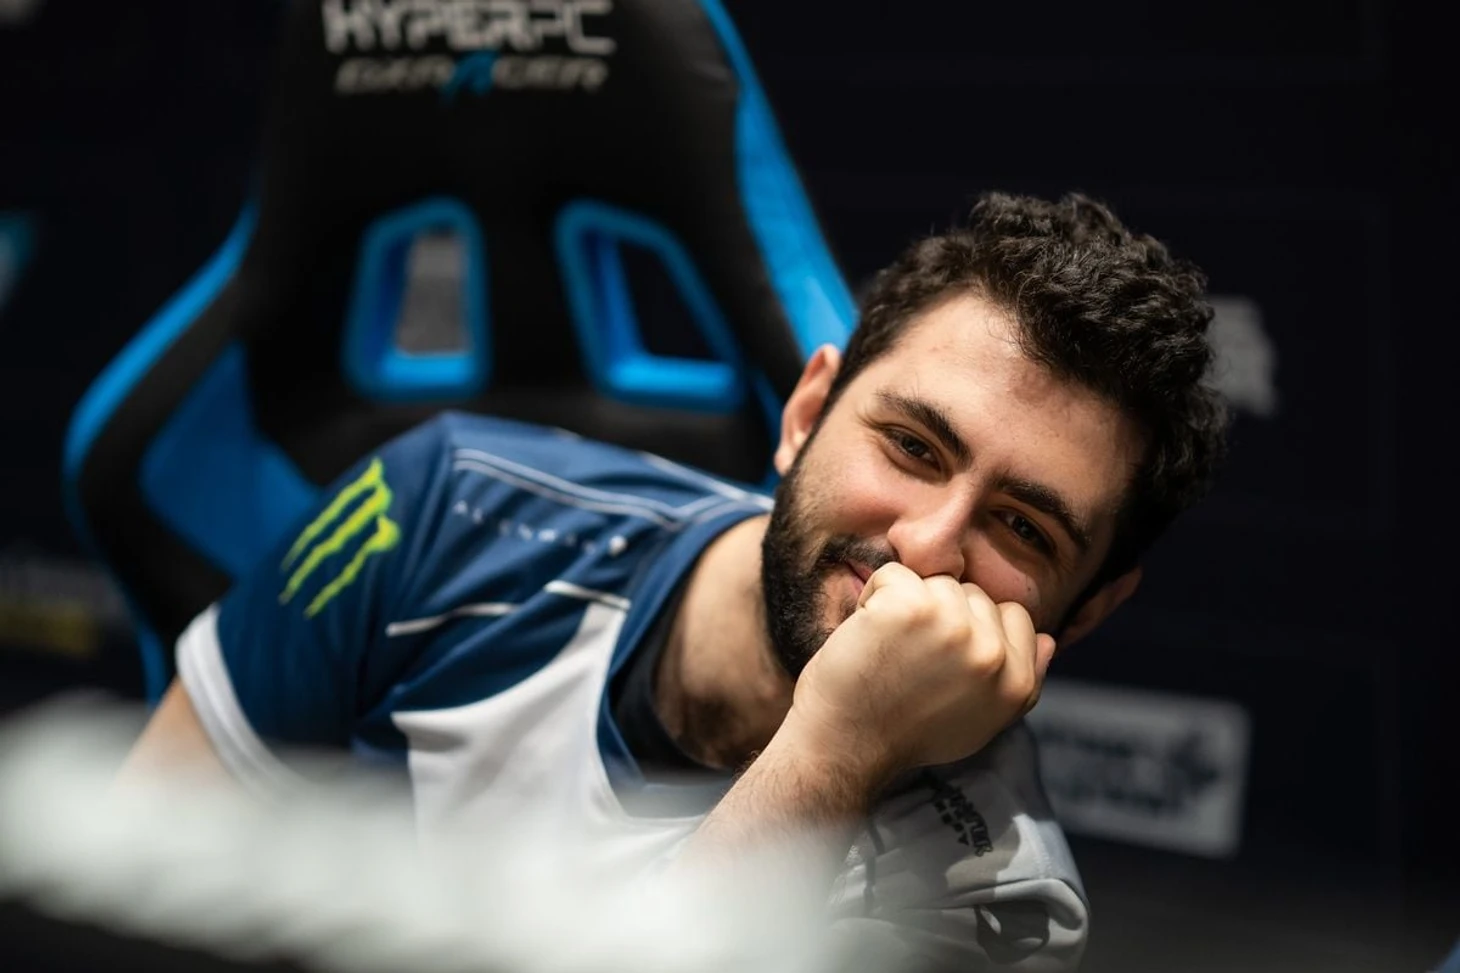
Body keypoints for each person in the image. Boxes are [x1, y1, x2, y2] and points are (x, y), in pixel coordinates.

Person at [118, 191, 1228, 972]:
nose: (926, 543)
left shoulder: (998, 899)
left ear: (1085, 609)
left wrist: (834, 750)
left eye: (1021, 526)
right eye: (911, 447)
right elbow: (130, 872)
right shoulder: (442, 507)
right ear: (806, 414)